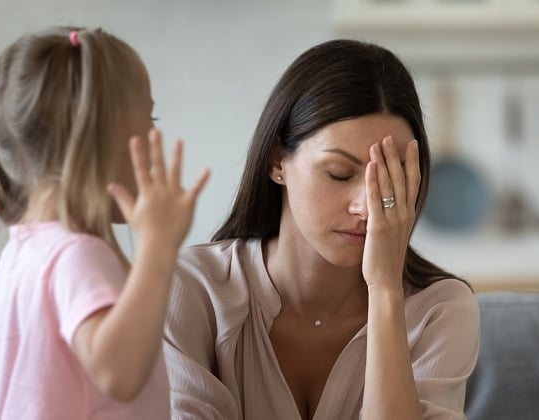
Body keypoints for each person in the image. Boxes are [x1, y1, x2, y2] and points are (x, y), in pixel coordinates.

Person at [163, 39, 480, 419]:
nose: (366, 206)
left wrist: (385, 291)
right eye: (339, 173)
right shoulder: (190, 289)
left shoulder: (441, 310)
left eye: (389, 179)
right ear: (277, 161)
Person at [0, 26, 209, 419]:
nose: (155, 132)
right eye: (149, 116)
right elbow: (118, 373)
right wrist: (158, 246)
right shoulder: (78, 254)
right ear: (101, 138)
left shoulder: (19, 254)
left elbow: (1, 375)